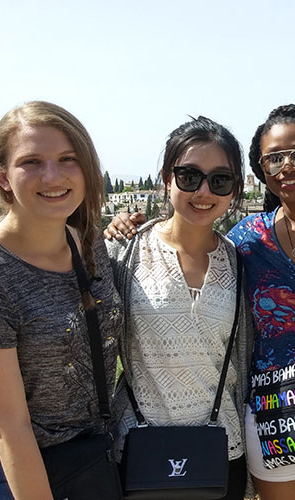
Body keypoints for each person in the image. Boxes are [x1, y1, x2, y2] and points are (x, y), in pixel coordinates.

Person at [106, 104, 295, 500]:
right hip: (275, 414)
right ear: (261, 170)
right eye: (274, 158)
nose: (287, 167)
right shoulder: (246, 241)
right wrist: (121, 225)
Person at [0, 101, 121, 499]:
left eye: (68, 159)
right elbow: (9, 429)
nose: (52, 176)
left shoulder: (88, 243)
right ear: (1, 176)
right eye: (32, 162)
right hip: (3, 471)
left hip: (81, 458)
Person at [106, 116, 252, 499]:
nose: (203, 191)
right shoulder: (125, 250)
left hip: (220, 450)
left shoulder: (240, 262)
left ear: (234, 190)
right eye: (189, 176)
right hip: (137, 451)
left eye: (219, 180)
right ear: (166, 178)